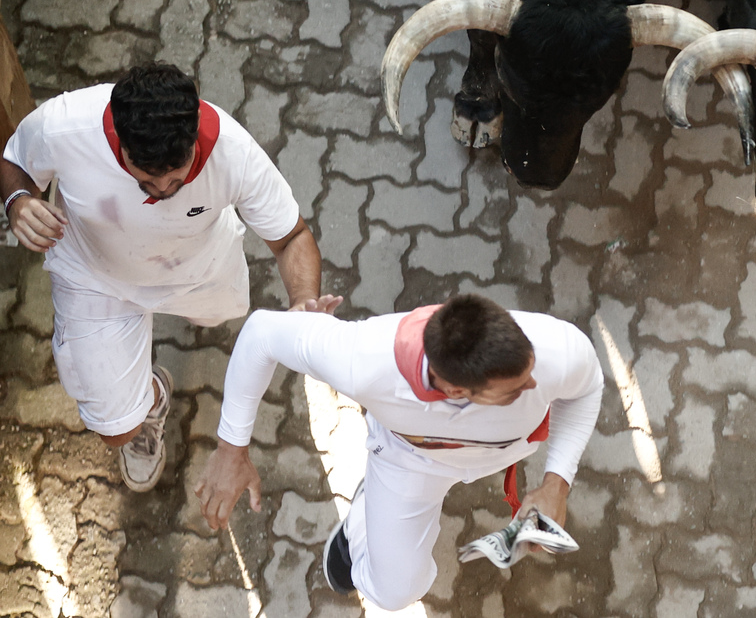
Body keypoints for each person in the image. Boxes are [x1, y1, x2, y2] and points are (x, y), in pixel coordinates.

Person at [0, 62, 336, 493]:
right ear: (118, 143)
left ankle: (145, 375)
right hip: (94, 277)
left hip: (197, 271)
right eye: (146, 184)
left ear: (194, 140)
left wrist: (303, 302)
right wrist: (17, 200)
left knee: (214, 319)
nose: (161, 193)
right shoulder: (64, 125)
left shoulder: (233, 151)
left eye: (176, 183)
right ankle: (150, 398)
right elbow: (12, 159)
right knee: (115, 429)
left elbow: (292, 237)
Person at [195, 293, 603, 611]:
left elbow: (586, 389)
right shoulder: (365, 359)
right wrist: (231, 451)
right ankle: (361, 522)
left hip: (500, 452)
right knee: (393, 592)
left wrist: (557, 483)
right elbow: (261, 334)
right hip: (411, 459)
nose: (535, 387)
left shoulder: (553, 346)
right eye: (516, 389)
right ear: (457, 391)